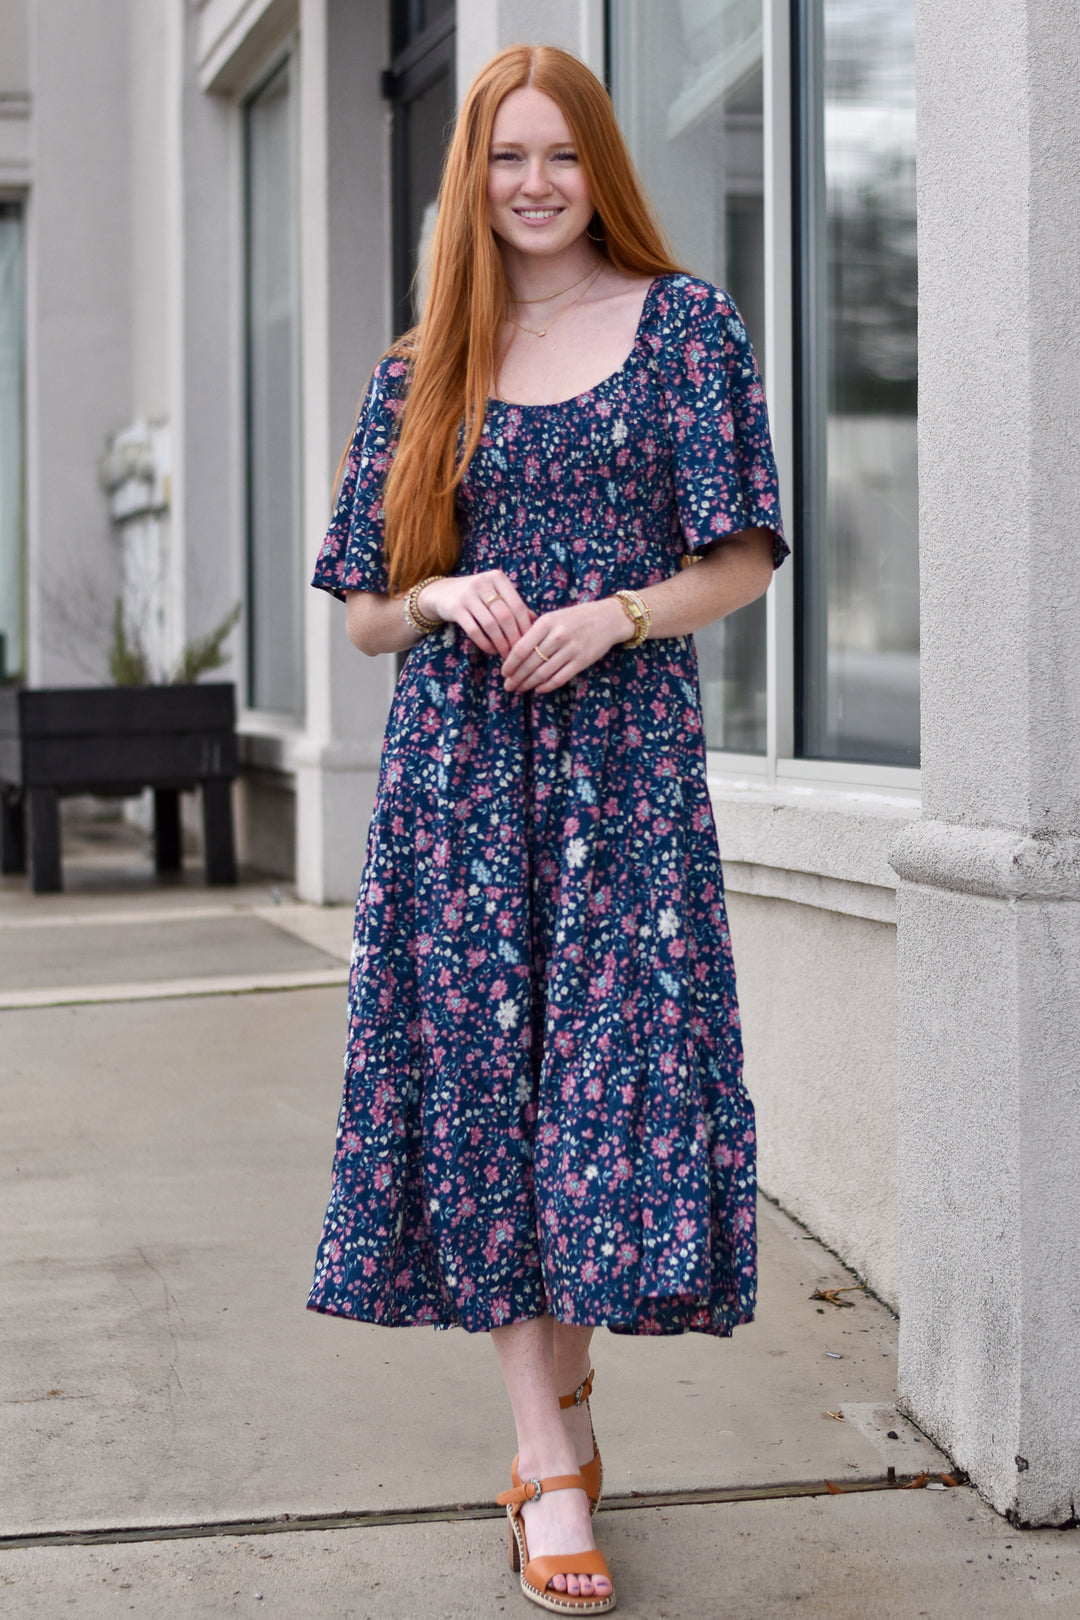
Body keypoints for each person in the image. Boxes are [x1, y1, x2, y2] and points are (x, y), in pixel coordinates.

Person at [308, 42, 787, 1615]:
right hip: (458, 785)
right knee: (499, 1121)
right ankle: (548, 1458)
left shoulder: (687, 326)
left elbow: (745, 561)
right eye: (505, 157)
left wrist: (624, 615)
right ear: (473, 174)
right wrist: (440, 589)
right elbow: (366, 616)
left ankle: (562, 1415)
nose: (532, 185)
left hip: (626, 782)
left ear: (601, 168)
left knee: (604, 1107)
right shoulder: (422, 365)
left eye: (560, 157)